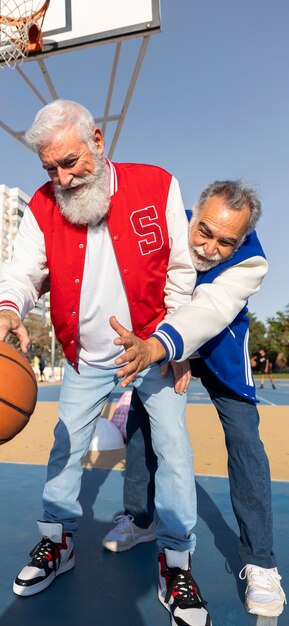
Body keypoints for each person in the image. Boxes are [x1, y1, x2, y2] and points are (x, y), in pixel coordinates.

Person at [0, 99, 212, 625]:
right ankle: (58, 542)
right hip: (85, 355)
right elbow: (21, 274)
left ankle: (177, 562)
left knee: (173, 449)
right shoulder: (43, 206)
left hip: (151, 346)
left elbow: (182, 272)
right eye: (50, 168)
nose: (63, 177)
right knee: (66, 448)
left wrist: (175, 340)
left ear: (97, 140)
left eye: (70, 162)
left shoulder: (156, 184)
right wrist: (6, 311)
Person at [102, 180, 286, 618]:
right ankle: (141, 520)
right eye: (204, 231)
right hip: (165, 331)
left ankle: (260, 560)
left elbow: (208, 310)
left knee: (244, 438)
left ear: (241, 239)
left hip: (218, 339)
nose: (210, 247)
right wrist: (168, 348)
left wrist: (171, 346)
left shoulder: (253, 262)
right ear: (194, 211)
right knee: (143, 422)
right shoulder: (168, 224)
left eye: (227, 242)